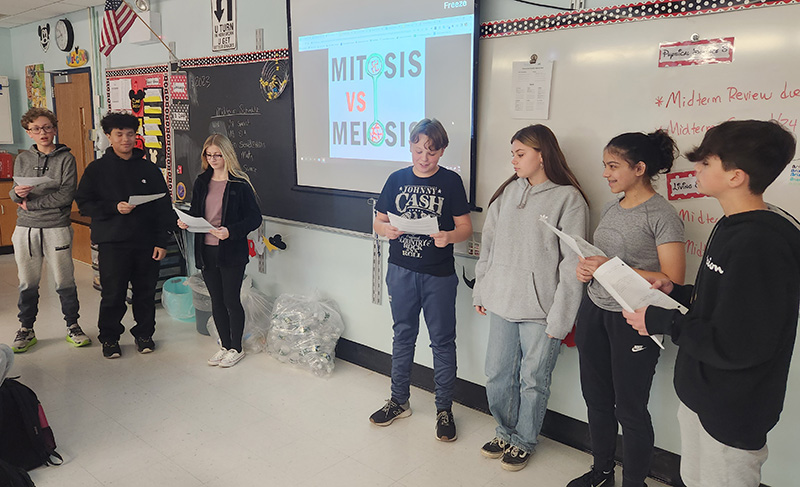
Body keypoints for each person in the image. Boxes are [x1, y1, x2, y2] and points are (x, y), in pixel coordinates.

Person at [622, 120, 800, 487]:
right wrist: (676, 292)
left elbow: (740, 343)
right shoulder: (732, 224)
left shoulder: (761, 244)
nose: (696, 170)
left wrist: (663, 321)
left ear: (735, 176)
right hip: (701, 395)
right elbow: (722, 303)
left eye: (705, 163)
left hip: (733, 410)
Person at [569, 130, 686, 487]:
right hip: (594, 310)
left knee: (630, 409)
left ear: (639, 168)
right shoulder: (610, 206)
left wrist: (609, 266)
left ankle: (635, 482)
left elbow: (673, 280)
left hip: (634, 319)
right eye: (605, 165)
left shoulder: (663, 215)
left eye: (613, 166)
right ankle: (602, 471)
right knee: (596, 399)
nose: (605, 173)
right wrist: (587, 269)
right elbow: (601, 261)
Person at [473, 125, 588, 471]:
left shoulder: (569, 200)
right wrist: (482, 288)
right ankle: (504, 432)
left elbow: (573, 265)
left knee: (533, 380)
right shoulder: (507, 194)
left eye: (520, 154)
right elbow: (488, 248)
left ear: (543, 154)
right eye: (513, 154)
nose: (514, 160)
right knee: (497, 374)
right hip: (502, 300)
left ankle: (524, 440)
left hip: (543, 310)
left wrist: (562, 317)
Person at [369, 118, 472, 442]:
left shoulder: (451, 182)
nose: (423, 158)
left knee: (442, 342)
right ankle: (399, 401)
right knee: (403, 336)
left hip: (438, 275)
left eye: (430, 151)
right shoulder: (396, 179)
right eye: (417, 151)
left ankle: (444, 409)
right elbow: (378, 221)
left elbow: (465, 227)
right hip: (400, 271)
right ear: (410, 148)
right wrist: (386, 229)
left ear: (441, 151)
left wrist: (448, 236)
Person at [74, 112, 174, 359]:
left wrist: (162, 241)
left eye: (130, 134)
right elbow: (84, 203)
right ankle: (109, 338)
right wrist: (113, 207)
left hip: (146, 242)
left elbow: (164, 206)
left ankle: (144, 334)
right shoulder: (97, 169)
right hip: (112, 242)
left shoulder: (149, 169)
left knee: (145, 293)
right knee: (113, 294)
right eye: (119, 134)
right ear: (108, 136)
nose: (125, 139)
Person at [177, 134, 261, 368]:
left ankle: (237, 347)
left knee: (231, 300)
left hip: (231, 251)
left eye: (217, 155)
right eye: (208, 155)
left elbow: (254, 218)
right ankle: (224, 346)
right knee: (216, 300)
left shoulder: (239, 184)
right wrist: (186, 222)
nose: (213, 159)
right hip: (206, 250)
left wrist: (230, 231)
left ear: (227, 155)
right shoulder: (202, 181)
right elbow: (196, 212)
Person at [9, 107, 89, 353]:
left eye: (47, 127)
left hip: (56, 226)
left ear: (54, 129)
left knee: (64, 280)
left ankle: (73, 325)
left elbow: (66, 195)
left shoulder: (66, 158)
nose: (42, 132)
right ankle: (26, 329)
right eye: (36, 129)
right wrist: (17, 194)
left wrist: (31, 203)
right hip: (25, 228)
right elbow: (15, 192)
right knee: (27, 282)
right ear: (29, 133)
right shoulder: (22, 158)